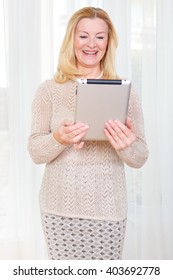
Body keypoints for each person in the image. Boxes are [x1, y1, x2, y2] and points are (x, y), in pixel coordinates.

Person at [28, 7, 149, 260]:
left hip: (108, 211)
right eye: (83, 36)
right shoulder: (48, 90)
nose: (91, 44)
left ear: (108, 42)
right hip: (57, 211)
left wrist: (125, 145)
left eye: (100, 37)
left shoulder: (126, 92)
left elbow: (140, 157)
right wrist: (59, 139)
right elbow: (35, 152)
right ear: (71, 39)